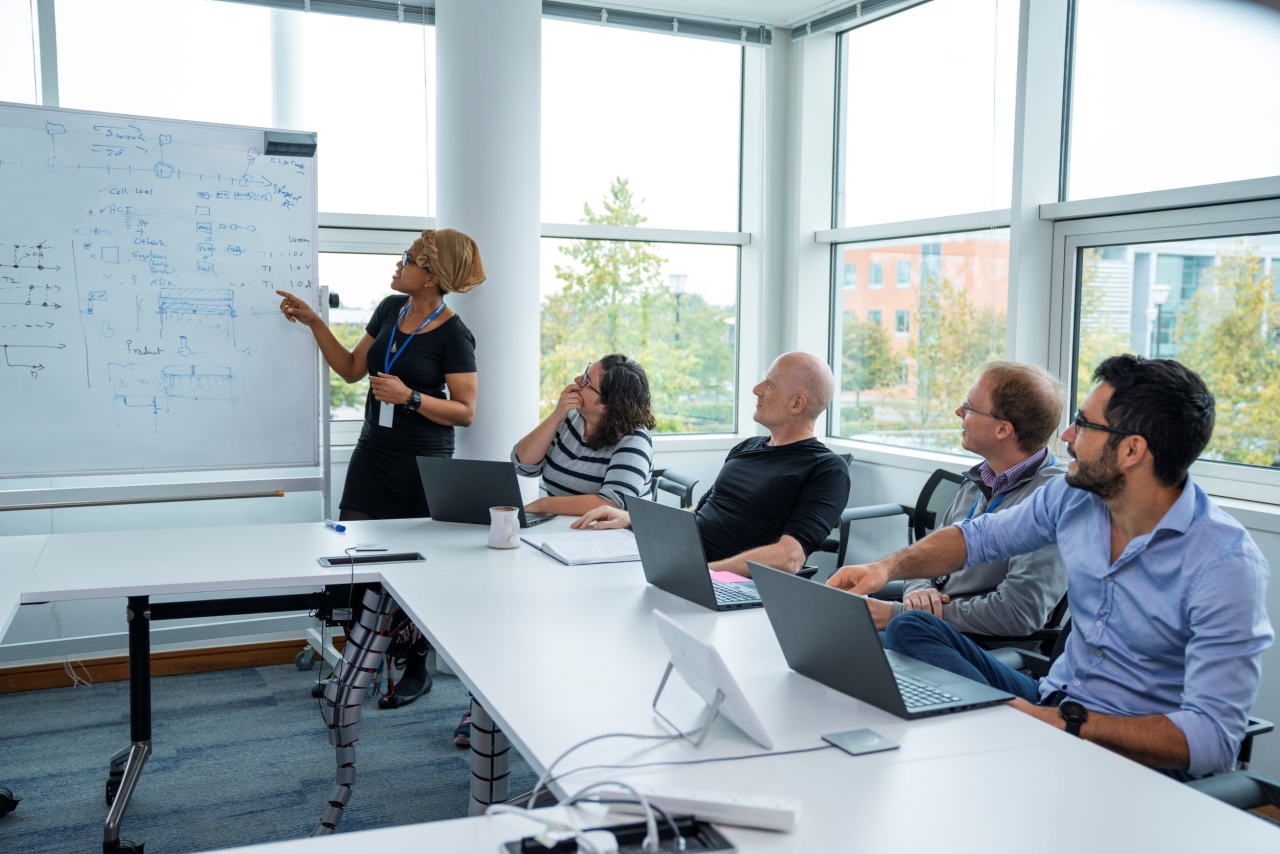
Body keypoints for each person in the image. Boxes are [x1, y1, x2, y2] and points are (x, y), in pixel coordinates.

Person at [828, 356, 1273, 779]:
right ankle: (992, 736)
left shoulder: (1224, 564)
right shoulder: (1074, 497)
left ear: (1132, 450)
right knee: (913, 629)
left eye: (1084, 424)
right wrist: (886, 567)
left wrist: (1055, 724)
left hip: (1134, 753)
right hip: (1053, 704)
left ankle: (990, 738)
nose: (1066, 436)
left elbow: (1214, 740)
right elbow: (975, 538)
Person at [277, 227, 485, 709]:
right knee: (352, 559)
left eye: (407, 259)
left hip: (422, 462)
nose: (398, 265)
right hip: (372, 454)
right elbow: (352, 368)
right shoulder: (390, 311)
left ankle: (416, 668)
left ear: (431, 275)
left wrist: (411, 397)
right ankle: (360, 662)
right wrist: (313, 322)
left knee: (413, 567)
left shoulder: (454, 334)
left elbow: (466, 411)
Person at [572, 352, 850, 578]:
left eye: (769, 385)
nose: (756, 389)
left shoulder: (827, 469)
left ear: (796, 404)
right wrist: (634, 519)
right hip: (683, 563)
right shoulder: (746, 448)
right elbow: (699, 511)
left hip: (726, 583)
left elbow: (790, 557)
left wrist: (703, 572)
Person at [876, 361, 1069, 637]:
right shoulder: (981, 477)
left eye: (969, 406)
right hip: (929, 621)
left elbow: (1018, 613)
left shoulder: (1053, 499)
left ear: (1002, 429)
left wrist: (906, 614)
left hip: (977, 642)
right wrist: (921, 591)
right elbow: (930, 556)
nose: (958, 411)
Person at [514, 355, 656, 516]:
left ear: (606, 406)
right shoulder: (571, 416)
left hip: (609, 536)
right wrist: (556, 416)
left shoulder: (634, 439)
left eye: (586, 382)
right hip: (562, 530)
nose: (576, 379)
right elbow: (523, 465)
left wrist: (542, 505)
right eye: (584, 373)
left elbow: (611, 504)